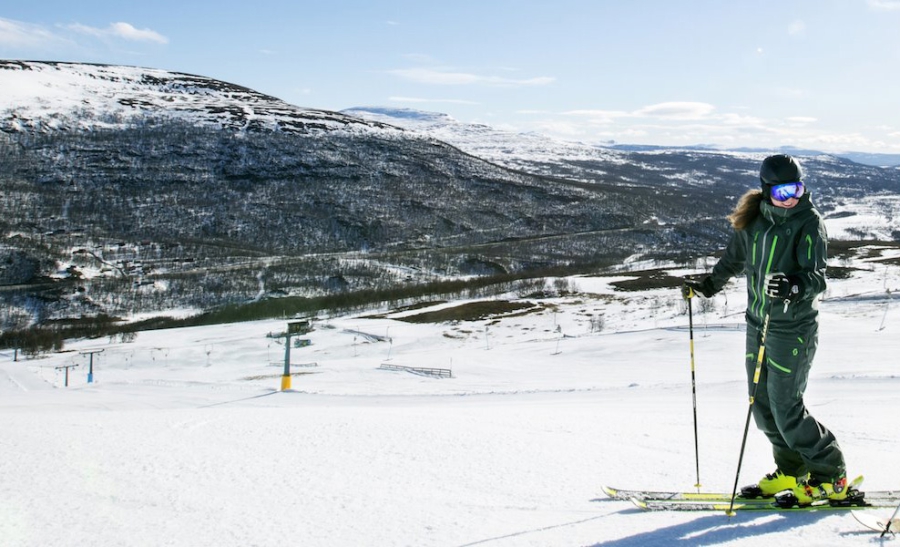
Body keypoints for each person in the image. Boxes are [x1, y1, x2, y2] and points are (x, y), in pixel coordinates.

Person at [683, 154, 848, 505]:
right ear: (766, 189)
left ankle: (831, 474)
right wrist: (708, 286)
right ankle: (791, 470)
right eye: (783, 190)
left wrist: (793, 286)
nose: (791, 197)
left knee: (787, 407)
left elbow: (817, 277)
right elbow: (733, 260)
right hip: (757, 323)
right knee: (761, 405)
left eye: (797, 188)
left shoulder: (808, 222)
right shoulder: (754, 221)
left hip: (793, 327)